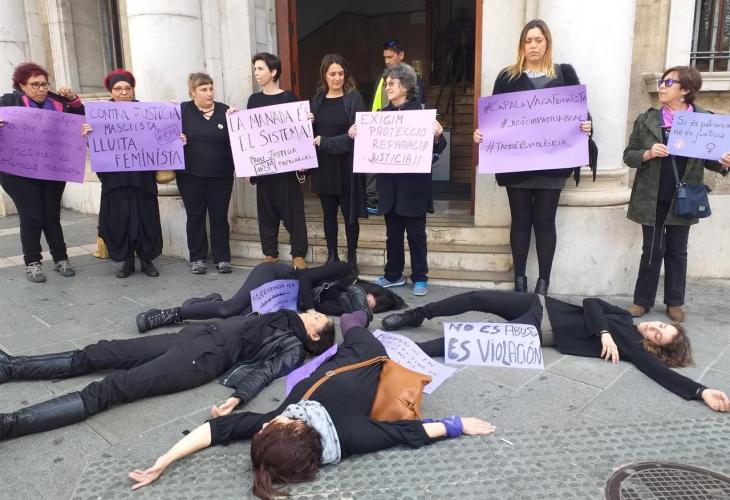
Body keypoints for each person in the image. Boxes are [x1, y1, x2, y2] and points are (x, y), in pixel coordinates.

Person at [127, 309, 496, 496]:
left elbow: (217, 430)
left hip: (326, 366)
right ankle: (363, 310)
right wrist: (458, 424)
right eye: (274, 426)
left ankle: (363, 306)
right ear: (298, 431)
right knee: (351, 322)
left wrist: (165, 460)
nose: (267, 422)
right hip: (365, 355)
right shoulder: (353, 436)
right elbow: (407, 433)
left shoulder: (276, 421)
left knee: (347, 317)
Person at [0, 308, 335, 440]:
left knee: (114, 387)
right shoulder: (282, 314)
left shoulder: (292, 346)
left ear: (314, 336)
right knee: (100, 352)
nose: (312, 311)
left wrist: (237, 398)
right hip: (194, 336)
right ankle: (12, 366)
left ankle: (12, 424)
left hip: (203, 358)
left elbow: (266, 372)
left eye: (318, 317)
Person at [380, 290, 730, 412]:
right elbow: (591, 302)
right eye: (660, 326)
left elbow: (659, 373)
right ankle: (417, 313)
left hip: (541, 330)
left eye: (659, 335)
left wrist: (701, 391)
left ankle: (407, 352)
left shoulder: (634, 348)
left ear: (655, 346)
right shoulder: (624, 318)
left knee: (476, 337)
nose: (654, 328)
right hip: (539, 303)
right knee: (476, 298)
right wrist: (604, 332)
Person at [473, 19, 594, 295]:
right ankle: (519, 282)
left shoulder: (564, 73)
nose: (533, 45)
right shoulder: (507, 77)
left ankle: (543, 284)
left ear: (547, 42)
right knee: (520, 220)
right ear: (522, 45)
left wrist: (587, 125)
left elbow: (580, 114)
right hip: (516, 166)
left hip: (553, 165)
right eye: (528, 41)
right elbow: (495, 119)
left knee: (545, 222)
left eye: (538, 40)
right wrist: (482, 134)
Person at [624, 66, 730, 322]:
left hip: (685, 197)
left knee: (677, 250)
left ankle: (674, 302)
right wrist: (648, 153)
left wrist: (724, 162)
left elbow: (711, 160)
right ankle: (642, 301)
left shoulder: (704, 120)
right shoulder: (647, 119)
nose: (662, 86)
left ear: (686, 90)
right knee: (652, 249)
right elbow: (628, 155)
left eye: (669, 83)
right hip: (652, 196)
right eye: (662, 82)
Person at [350, 63, 446, 297]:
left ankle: (420, 277)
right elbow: (369, 148)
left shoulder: (422, 115)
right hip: (389, 187)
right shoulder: (380, 116)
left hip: (414, 188)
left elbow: (438, 147)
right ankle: (393, 274)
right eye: (387, 84)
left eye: (392, 83)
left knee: (416, 235)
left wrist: (437, 136)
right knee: (392, 234)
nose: (387, 88)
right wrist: (357, 135)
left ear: (405, 86)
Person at [135, 260, 406, 333]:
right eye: (372, 299)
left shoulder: (346, 304)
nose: (367, 304)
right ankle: (170, 314)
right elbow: (304, 276)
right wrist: (309, 308)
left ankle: (209, 302)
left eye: (373, 308)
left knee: (237, 318)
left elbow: (323, 312)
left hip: (283, 301)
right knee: (231, 310)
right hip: (277, 276)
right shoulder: (343, 270)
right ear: (370, 289)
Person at [0, 62, 85, 283]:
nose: (41, 89)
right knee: (32, 217)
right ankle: (32, 263)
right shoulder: (7, 103)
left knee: (51, 216)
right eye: (35, 84)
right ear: (22, 85)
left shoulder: (59, 102)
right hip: (18, 173)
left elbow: (81, 119)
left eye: (44, 84)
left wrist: (74, 101)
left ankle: (61, 258)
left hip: (52, 169)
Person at [82, 69, 163, 278]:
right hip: (115, 179)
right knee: (121, 219)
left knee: (145, 219)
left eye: (128, 88)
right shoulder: (99, 117)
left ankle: (146, 260)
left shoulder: (147, 112)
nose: (124, 92)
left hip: (142, 177)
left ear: (133, 89)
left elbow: (161, 137)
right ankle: (127, 261)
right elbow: (97, 145)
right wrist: (88, 135)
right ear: (111, 91)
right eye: (118, 89)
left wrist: (172, 125)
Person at [247, 53, 308, 270]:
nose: (256, 73)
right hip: (264, 167)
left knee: (293, 213)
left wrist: (302, 157)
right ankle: (269, 254)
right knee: (266, 213)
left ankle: (298, 255)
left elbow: (298, 132)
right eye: (255, 69)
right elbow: (249, 133)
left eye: (260, 69)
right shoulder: (253, 100)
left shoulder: (288, 98)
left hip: (286, 168)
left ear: (273, 72)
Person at [310, 54, 367, 274]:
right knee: (328, 214)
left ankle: (351, 256)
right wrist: (308, 124)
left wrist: (325, 142)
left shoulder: (353, 97)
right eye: (332, 74)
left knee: (349, 215)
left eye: (341, 73)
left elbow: (357, 136)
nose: (337, 78)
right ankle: (332, 255)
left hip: (347, 165)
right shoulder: (318, 98)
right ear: (324, 75)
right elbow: (311, 136)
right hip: (324, 166)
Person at [178, 72, 235, 275]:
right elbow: (163, 134)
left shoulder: (225, 111)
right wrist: (176, 137)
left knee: (219, 216)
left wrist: (238, 120)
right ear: (193, 92)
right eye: (203, 89)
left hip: (221, 175)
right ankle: (198, 258)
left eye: (211, 88)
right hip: (190, 175)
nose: (209, 93)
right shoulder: (182, 110)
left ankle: (223, 258)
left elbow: (239, 139)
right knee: (195, 216)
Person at [366, 40, 426, 214]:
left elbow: (418, 109)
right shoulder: (381, 78)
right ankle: (373, 199)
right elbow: (374, 106)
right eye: (384, 57)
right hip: (384, 146)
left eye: (390, 57)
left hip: (410, 173)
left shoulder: (414, 80)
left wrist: (434, 135)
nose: (387, 61)